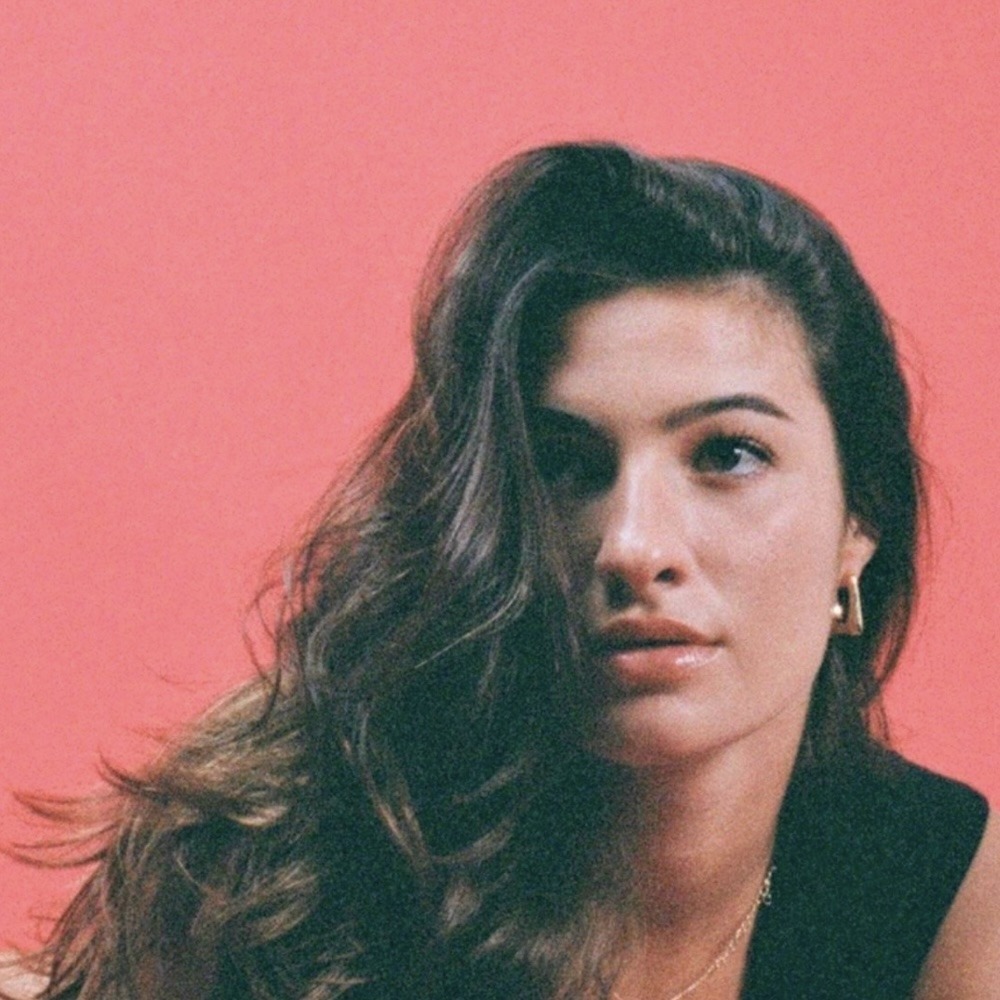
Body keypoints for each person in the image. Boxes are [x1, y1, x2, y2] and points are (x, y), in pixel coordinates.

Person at [5, 142, 999, 999]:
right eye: (564, 464)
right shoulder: (288, 862)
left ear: (858, 522)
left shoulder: (931, 880)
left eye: (727, 454)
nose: (634, 545)